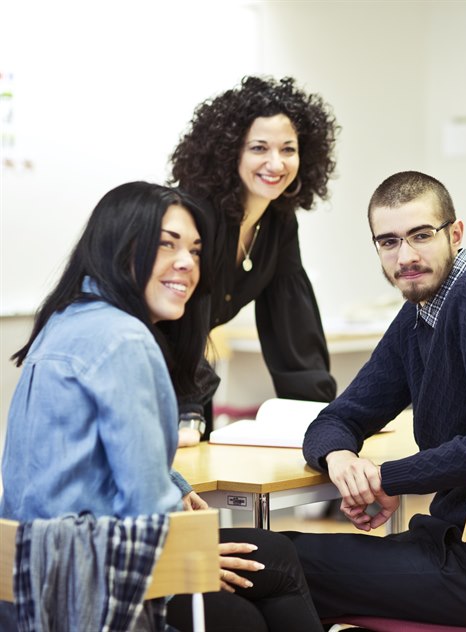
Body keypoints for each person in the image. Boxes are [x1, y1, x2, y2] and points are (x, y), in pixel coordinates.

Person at [0, 182, 322, 632]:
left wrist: (173, 484)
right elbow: (146, 506)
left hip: (40, 565)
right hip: (90, 575)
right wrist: (190, 554)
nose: (187, 262)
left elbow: (100, 458)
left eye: (195, 249)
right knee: (259, 590)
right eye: (166, 244)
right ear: (119, 247)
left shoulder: (67, 318)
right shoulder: (125, 339)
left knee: (273, 557)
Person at [284, 171, 466, 628]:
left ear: (456, 234)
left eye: (421, 235)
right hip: (453, 549)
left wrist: (387, 479)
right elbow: (339, 418)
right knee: (271, 566)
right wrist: (339, 458)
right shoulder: (418, 316)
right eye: (389, 242)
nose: (406, 256)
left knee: (273, 560)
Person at [169, 75, 339, 445]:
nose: (276, 163)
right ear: (230, 151)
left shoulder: (279, 222)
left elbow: (293, 324)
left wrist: (322, 417)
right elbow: (170, 326)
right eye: (259, 148)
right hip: (146, 375)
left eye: (288, 149)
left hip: (187, 381)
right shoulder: (194, 213)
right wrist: (189, 407)